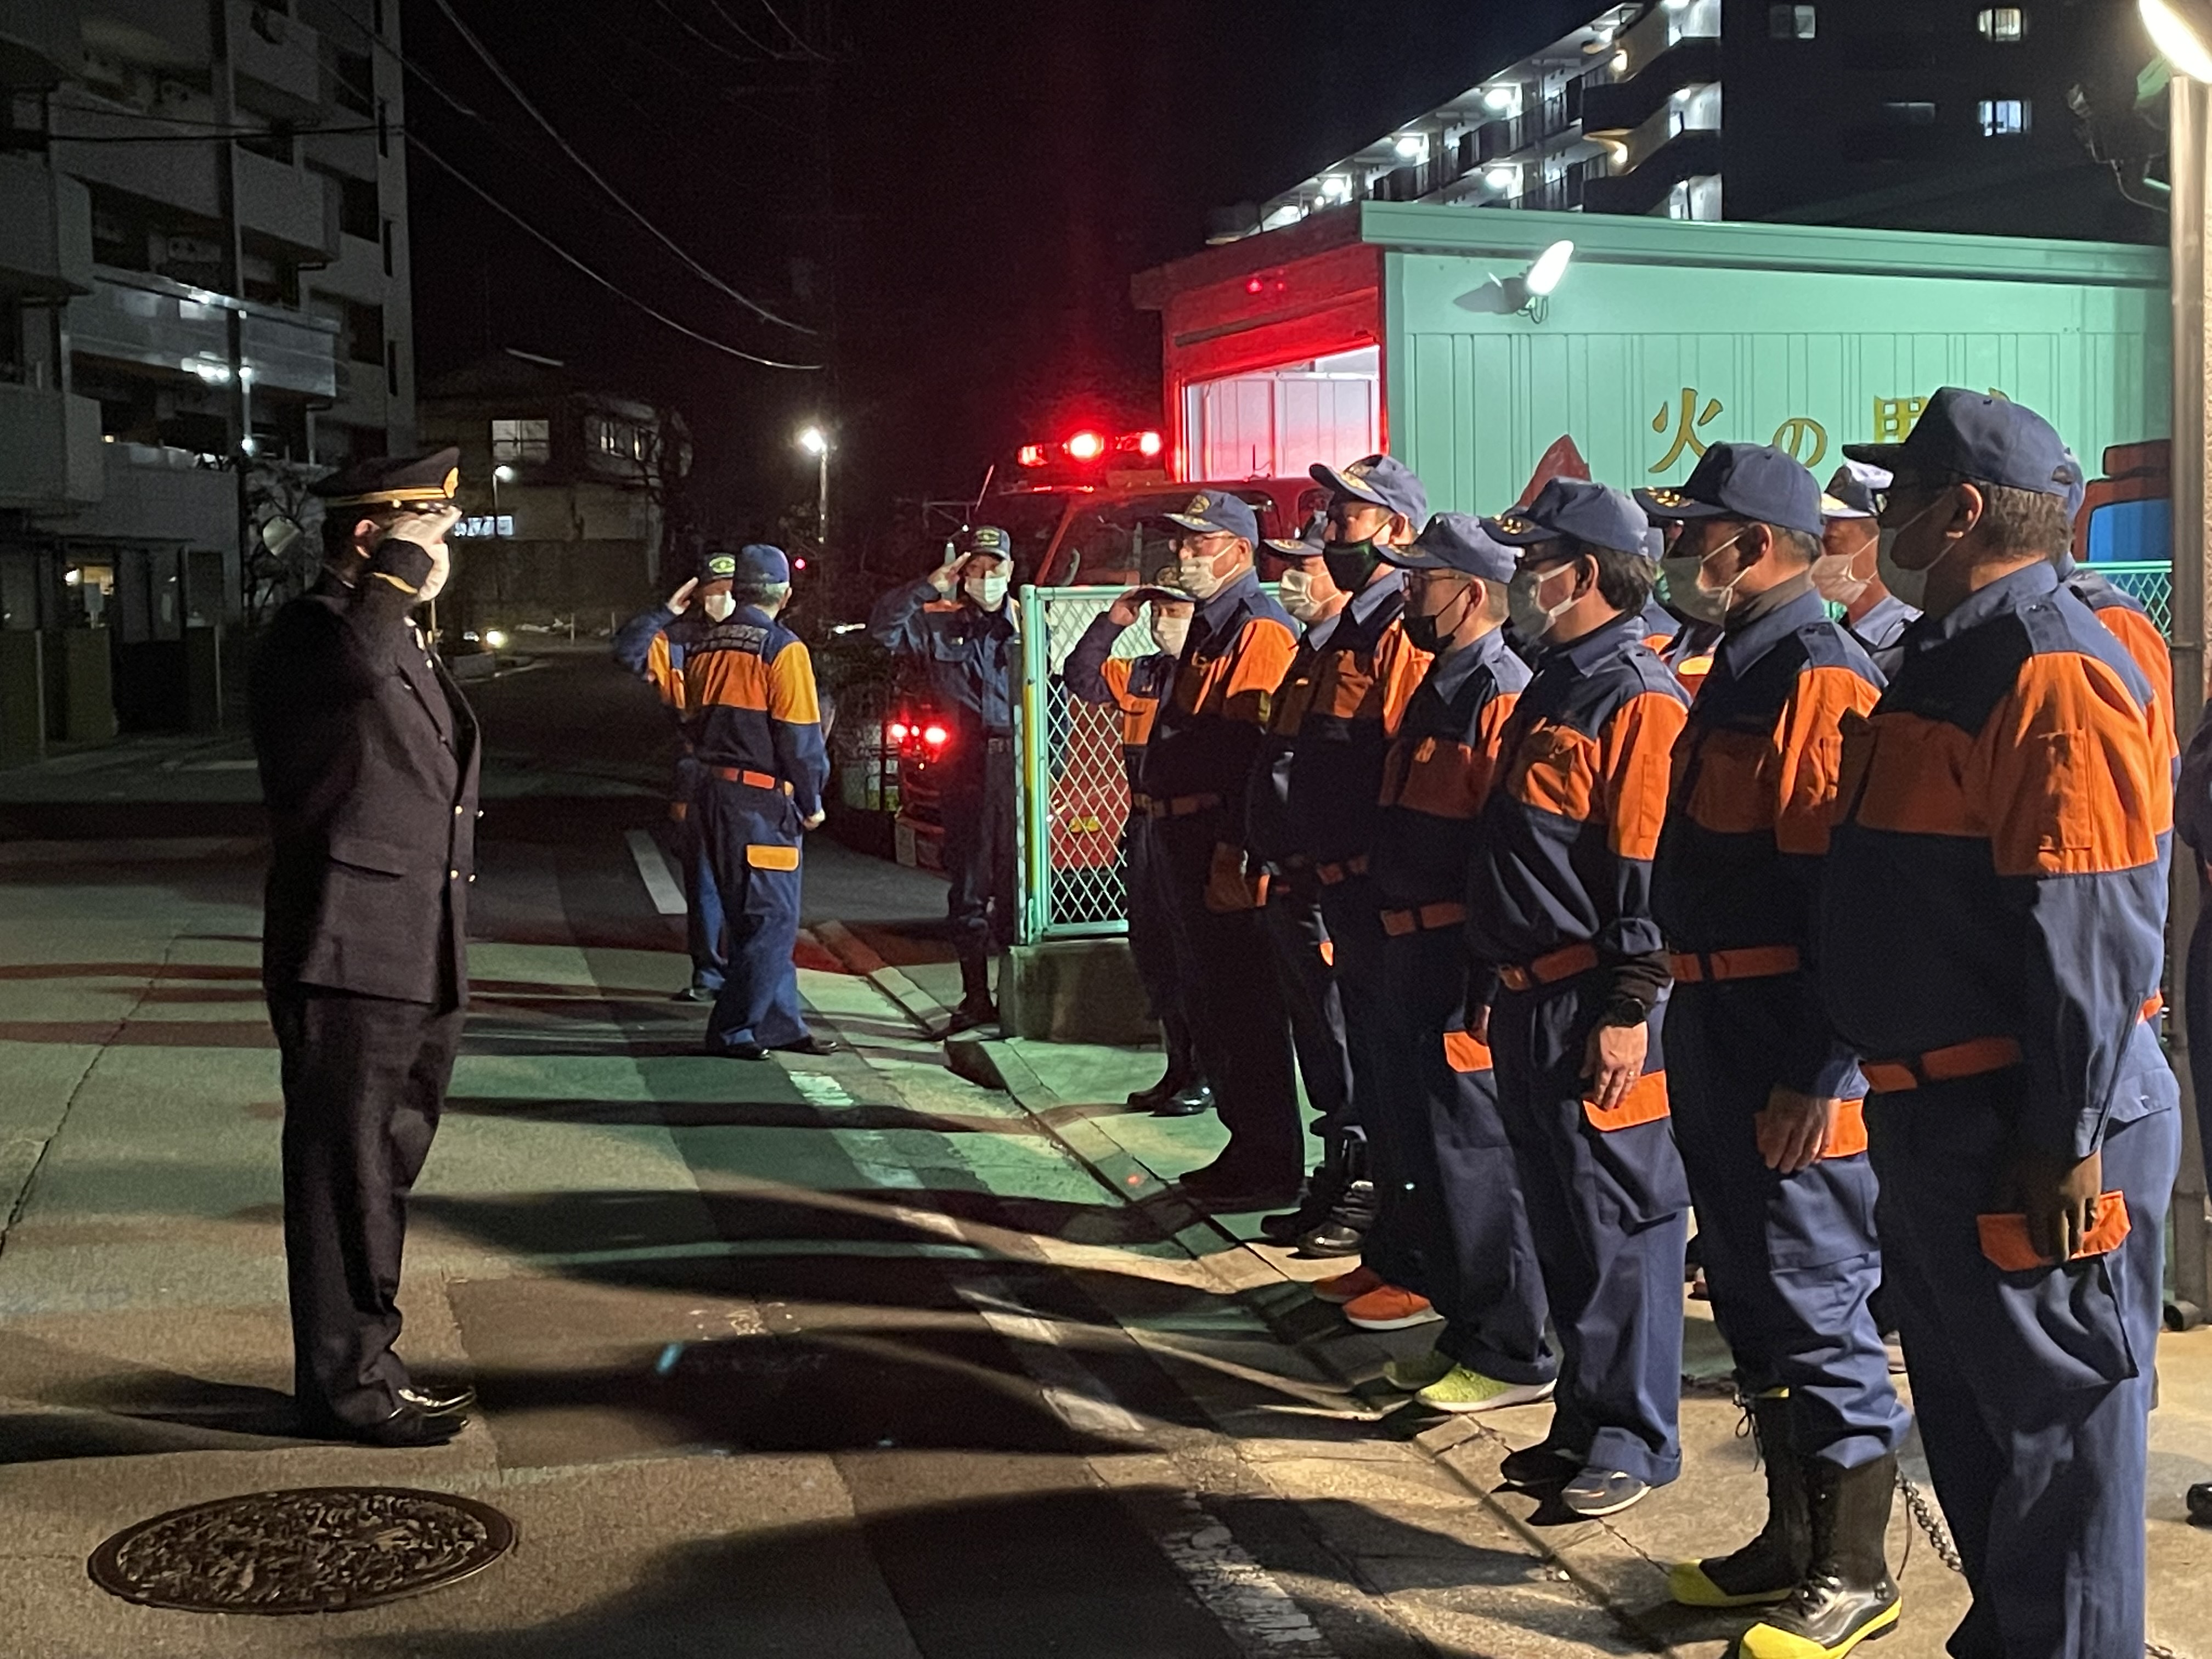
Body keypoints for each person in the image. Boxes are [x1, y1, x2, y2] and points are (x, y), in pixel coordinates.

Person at [1821, 388, 2177, 1659]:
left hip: (2026, 1123)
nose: (1881, 520)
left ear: (1961, 509)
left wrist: (2067, 1132)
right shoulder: (1949, 652)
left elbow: (2090, 923)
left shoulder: (2049, 665)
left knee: (2058, 1459)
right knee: (1983, 1444)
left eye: (1897, 495)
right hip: (1936, 1113)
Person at [1640, 445, 1909, 1658]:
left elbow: (1843, 906)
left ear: (1754, 546)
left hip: (1783, 1042)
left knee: (1814, 1293)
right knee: (1749, 1291)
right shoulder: (1739, 670)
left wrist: (1819, 1071)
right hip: (1712, 1025)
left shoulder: (1818, 676)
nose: (1681, 555)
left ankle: (1854, 1566)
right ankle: (1789, 1542)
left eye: (1699, 533)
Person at [1465, 477, 1692, 1519]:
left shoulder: (1638, 697)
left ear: (1585, 574)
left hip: (1591, 998)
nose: (1518, 577)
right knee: (1560, 1217)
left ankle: (1634, 1434)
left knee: (1620, 1222)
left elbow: (1646, 869)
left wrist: (1630, 1003)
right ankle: (1581, 1413)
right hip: (1525, 994)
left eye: (1532, 561)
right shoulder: (1557, 681)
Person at [250, 449, 481, 1448]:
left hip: (411, 943)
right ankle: (345, 1386)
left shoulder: (397, 637)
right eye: (434, 527)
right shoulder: (314, 633)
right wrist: (392, 577)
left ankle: (368, 1359)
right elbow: (352, 666)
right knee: (343, 1170)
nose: (446, 548)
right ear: (372, 533)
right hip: (345, 945)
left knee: (381, 1166)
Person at [1355, 512, 1556, 1412]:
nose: (1405, 594)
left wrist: (1483, 976)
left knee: (1478, 1155)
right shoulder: (1440, 685)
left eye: (1418, 580)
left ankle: (1515, 1344)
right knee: (1430, 1150)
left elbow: (1498, 848)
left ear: (1470, 591)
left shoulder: (1498, 692)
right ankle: (1467, 1323)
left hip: (1455, 957)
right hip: (1407, 948)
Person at [1275, 455, 1434, 1317]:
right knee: (1369, 1072)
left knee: (1396, 1086)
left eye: (1347, 518)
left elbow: (1401, 769)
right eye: (1332, 514)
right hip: (1336, 888)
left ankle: (1411, 1260)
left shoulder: (1399, 634)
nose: (1331, 529)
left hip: (1375, 895)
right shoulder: (1348, 633)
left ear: (1395, 532)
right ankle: (1392, 1250)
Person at [1137, 490, 1303, 1210]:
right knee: (1211, 1001)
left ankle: (1269, 1163)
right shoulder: (1210, 627)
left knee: (1243, 1005)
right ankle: (1245, 1148)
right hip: (1180, 836)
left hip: (1214, 841)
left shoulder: (1256, 629)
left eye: (1198, 543)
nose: (1182, 553)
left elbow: (1251, 753)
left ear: (1238, 551)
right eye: (1180, 542)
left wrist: (1236, 847)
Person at [1246, 513, 1361, 1255]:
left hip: (1325, 889)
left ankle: (1359, 1184)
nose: (1292, 575)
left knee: (1343, 1041)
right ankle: (1334, 1175)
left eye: (1305, 563)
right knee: (1318, 1046)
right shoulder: (1310, 654)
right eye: (1285, 562)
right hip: (1291, 882)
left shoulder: (1351, 652)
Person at [1063, 569, 1211, 1117]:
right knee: (1154, 952)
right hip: (1145, 825)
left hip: (1187, 826)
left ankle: (1204, 1073)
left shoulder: (1205, 671)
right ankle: (1177, 1067)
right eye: (1155, 612)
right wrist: (1113, 621)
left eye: (1172, 611)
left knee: (1193, 954)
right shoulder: (1144, 673)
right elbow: (1080, 676)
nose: (1160, 622)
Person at [682, 545, 834, 1061]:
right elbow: (800, 736)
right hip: (760, 800)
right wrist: (812, 799)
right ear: (785, 594)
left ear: (739, 590)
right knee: (771, 919)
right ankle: (733, 1028)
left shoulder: (704, 645)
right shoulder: (781, 649)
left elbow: (689, 717)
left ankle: (779, 1023)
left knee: (749, 917)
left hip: (711, 794)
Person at [870, 526, 1019, 1029]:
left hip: (1018, 768)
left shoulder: (1028, 623)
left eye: (994, 567)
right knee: (970, 890)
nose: (985, 577)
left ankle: (1016, 1002)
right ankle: (976, 999)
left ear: (1010, 571)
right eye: (975, 568)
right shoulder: (938, 624)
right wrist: (928, 587)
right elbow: (882, 630)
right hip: (965, 766)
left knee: (1020, 891)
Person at [613, 567, 726, 1002]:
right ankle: (711, 974)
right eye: (713, 593)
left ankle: (748, 973)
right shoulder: (676, 642)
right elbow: (627, 651)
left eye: (731, 592)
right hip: (695, 770)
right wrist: (666, 612)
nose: (722, 600)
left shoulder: (765, 638)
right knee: (704, 880)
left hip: (749, 774)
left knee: (749, 881)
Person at [1814, 460, 1917, 678]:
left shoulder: (1910, 643)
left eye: (1832, 541)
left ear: (1884, 543)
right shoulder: (1836, 634)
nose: (1820, 555)